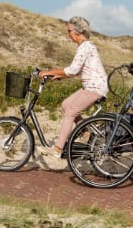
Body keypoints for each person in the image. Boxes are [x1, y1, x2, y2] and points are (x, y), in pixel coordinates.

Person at [40, 16, 108, 158]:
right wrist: (60, 75)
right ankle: (86, 131)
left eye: (69, 30)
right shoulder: (84, 46)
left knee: (70, 112)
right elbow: (76, 71)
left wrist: (48, 72)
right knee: (66, 104)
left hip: (95, 88)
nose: (68, 33)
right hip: (91, 86)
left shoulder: (85, 47)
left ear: (78, 31)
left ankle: (58, 149)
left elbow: (72, 70)